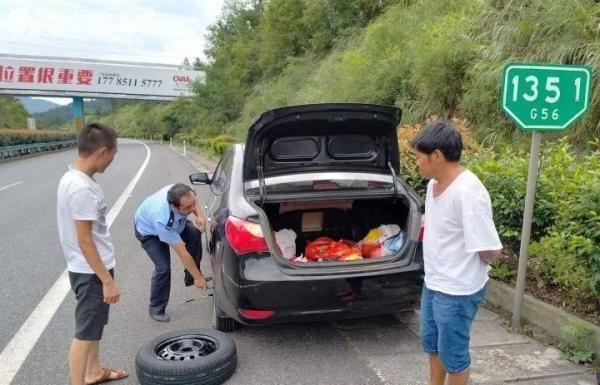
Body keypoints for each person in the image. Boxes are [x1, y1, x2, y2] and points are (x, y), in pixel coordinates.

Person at [411, 120, 503, 385]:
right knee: (432, 346)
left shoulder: (468, 193)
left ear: (437, 156)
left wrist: (477, 267)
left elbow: (490, 249)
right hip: (434, 283)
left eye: (419, 157)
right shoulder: (433, 185)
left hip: (458, 292)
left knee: (454, 357)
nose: (417, 162)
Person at [56, 123, 128, 385]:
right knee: (85, 333)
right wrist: (107, 281)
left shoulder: (75, 178)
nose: (112, 160)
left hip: (92, 268)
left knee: (95, 325)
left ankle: (94, 372)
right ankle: (79, 380)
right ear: (102, 152)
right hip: (91, 272)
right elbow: (85, 241)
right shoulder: (81, 188)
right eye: (113, 154)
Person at [134, 183, 209, 322]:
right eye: (188, 208)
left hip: (176, 221)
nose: (192, 208)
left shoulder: (182, 191)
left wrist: (199, 215)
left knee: (194, 234)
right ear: (175, 207)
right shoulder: (162, 219)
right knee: (163, 268)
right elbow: (182, 253)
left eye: (192, 205)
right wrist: (200, 278)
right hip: (150, 233)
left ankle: (191, 277)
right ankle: (156, 308)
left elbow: (194, 199)